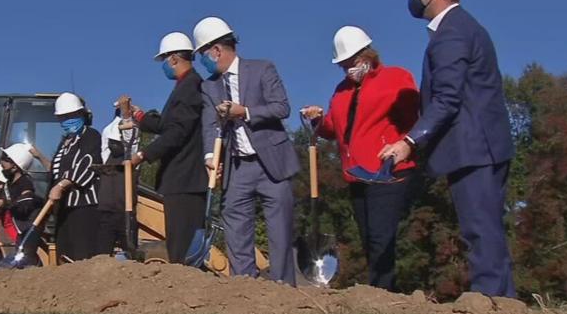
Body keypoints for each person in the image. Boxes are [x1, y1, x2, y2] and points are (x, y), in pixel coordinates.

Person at [379, 0, 516, 297]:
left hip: (473, 147)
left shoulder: (451, 33)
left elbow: (447, 99)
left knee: (480, 230)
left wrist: (408, 141)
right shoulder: (463, 28)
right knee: (486, 229)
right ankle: (503, 302)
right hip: (483, 144)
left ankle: (491, 304)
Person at [301, 26, 419, 291]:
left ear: (367, 55)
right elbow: (334, 128)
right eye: (343, 66)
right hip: (356, 175)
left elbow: (413, 120)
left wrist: (402, 146)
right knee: (368, 237)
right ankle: (379, 290)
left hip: (387, 172)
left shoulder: (396, 78)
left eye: (351, 63)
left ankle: (383, 293)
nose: (348, 70)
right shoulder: (341, 91)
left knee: (380, 236)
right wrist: (318, 120)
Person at [195, 16, 299, 285]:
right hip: (236, 167)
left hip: (271, 164)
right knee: (236, 227)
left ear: (216, 50)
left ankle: (284, 289)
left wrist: (246, 112)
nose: (201, 61)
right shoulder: (209, 87)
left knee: (280, 231)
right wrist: (210, 157)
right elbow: (209, 125)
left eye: (202, 55)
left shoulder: (262, 69)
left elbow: (281, 107)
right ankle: (245, 289)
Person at [122, 31, 207, 263]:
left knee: (182, 247)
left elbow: (177, 132)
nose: (164, 66)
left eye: (164, 61)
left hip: (185, 179)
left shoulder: (191, 86)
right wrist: (139, 116)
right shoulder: (184, 87)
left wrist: (143, 154)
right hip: (179, 179)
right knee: (177, 244)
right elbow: (166, 125)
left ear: (173, 59)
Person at [46, 92, 105, 261]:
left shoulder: (91, 135)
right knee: (64, 254)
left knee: (82, 255)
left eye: (71, 115)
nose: (67, 120)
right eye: (63, 117)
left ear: (81, 114)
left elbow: (88, 162)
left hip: (85, 205)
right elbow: (55, 172)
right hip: (64, 208)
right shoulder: (64, 143)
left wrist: (62, 185)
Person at [96, 105, 138, 255]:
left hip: (126, 212)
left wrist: (126, 112)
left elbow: (131, 140)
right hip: (106, 212)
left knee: (131, 253)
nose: (115, 145)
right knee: (101, 255)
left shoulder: (131, 158)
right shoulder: (106, 155)